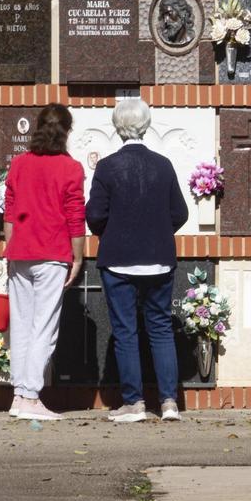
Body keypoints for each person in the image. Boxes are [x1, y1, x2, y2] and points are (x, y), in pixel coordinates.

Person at [86, 99, 188, 423]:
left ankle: (134, 403)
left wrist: (115, 231)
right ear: (146, 124)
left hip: (119, 260)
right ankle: (170, 402)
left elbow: (95, 215)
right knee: (160, 329)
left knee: (126, 331)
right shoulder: (164, 164)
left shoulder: (107, 167)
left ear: (118, 127)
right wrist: (156, 232)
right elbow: (180, 213)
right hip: (159, 259)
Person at [4, 104, 85, 422]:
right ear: (67, 131)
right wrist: (78, 256)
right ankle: (31, 396)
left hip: (20, 252)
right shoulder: (71, 168)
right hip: (52, 252)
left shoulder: (19, 163)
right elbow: (75, 215)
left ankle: (18, 395)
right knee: (44, 327)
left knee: (21, 325)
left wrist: (11, 246)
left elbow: (9, 210)